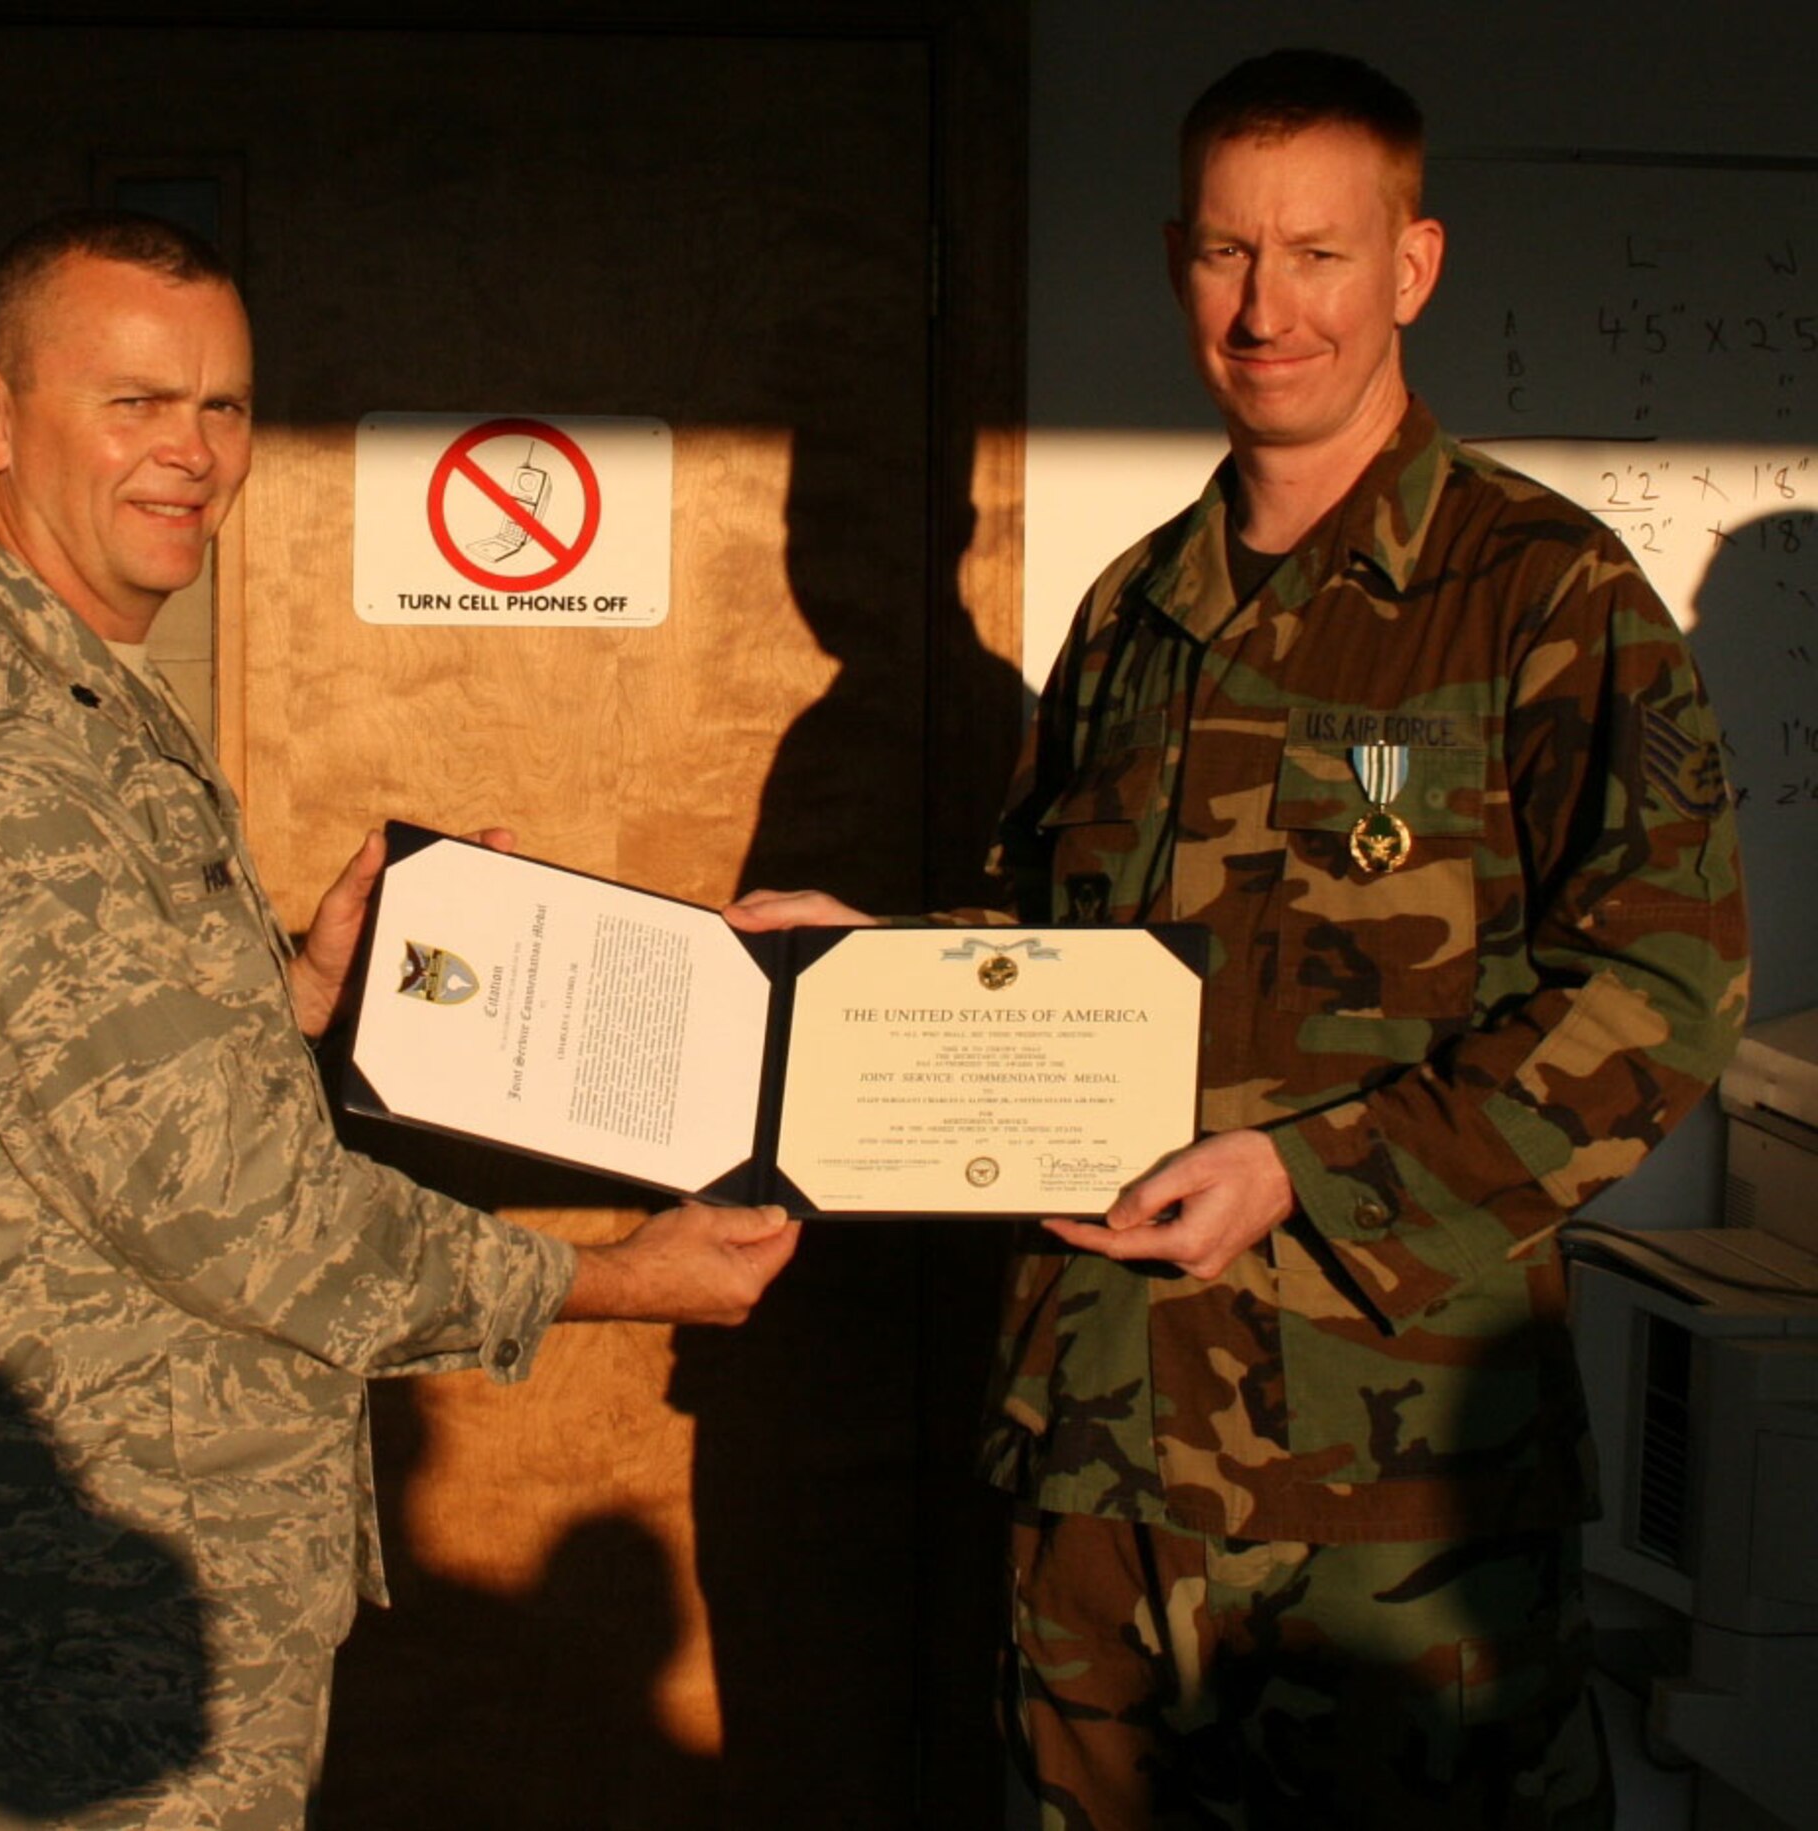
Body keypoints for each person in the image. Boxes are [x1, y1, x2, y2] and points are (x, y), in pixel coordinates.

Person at [728, 48, 1748, 1830]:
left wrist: (1308, 1176)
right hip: (1107, 1456)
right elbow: (1056, 953)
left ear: (1411, 267)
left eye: (1318, 254)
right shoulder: (1138, 610)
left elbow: (1664, 994)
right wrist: (860, 966)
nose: (1268, 307)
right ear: (1178, 264)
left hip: (1398, 1493)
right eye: (1224, 254)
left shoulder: (1546, 596)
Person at [0, 210, 799, 1829]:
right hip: (71, 1614)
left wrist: (300, 997)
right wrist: (613, 1280)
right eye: (133, 403)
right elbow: (225, 1202)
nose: (192, 454)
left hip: (138, 1576)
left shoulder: (65, 684)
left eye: (220, 407)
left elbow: (45, 1080)